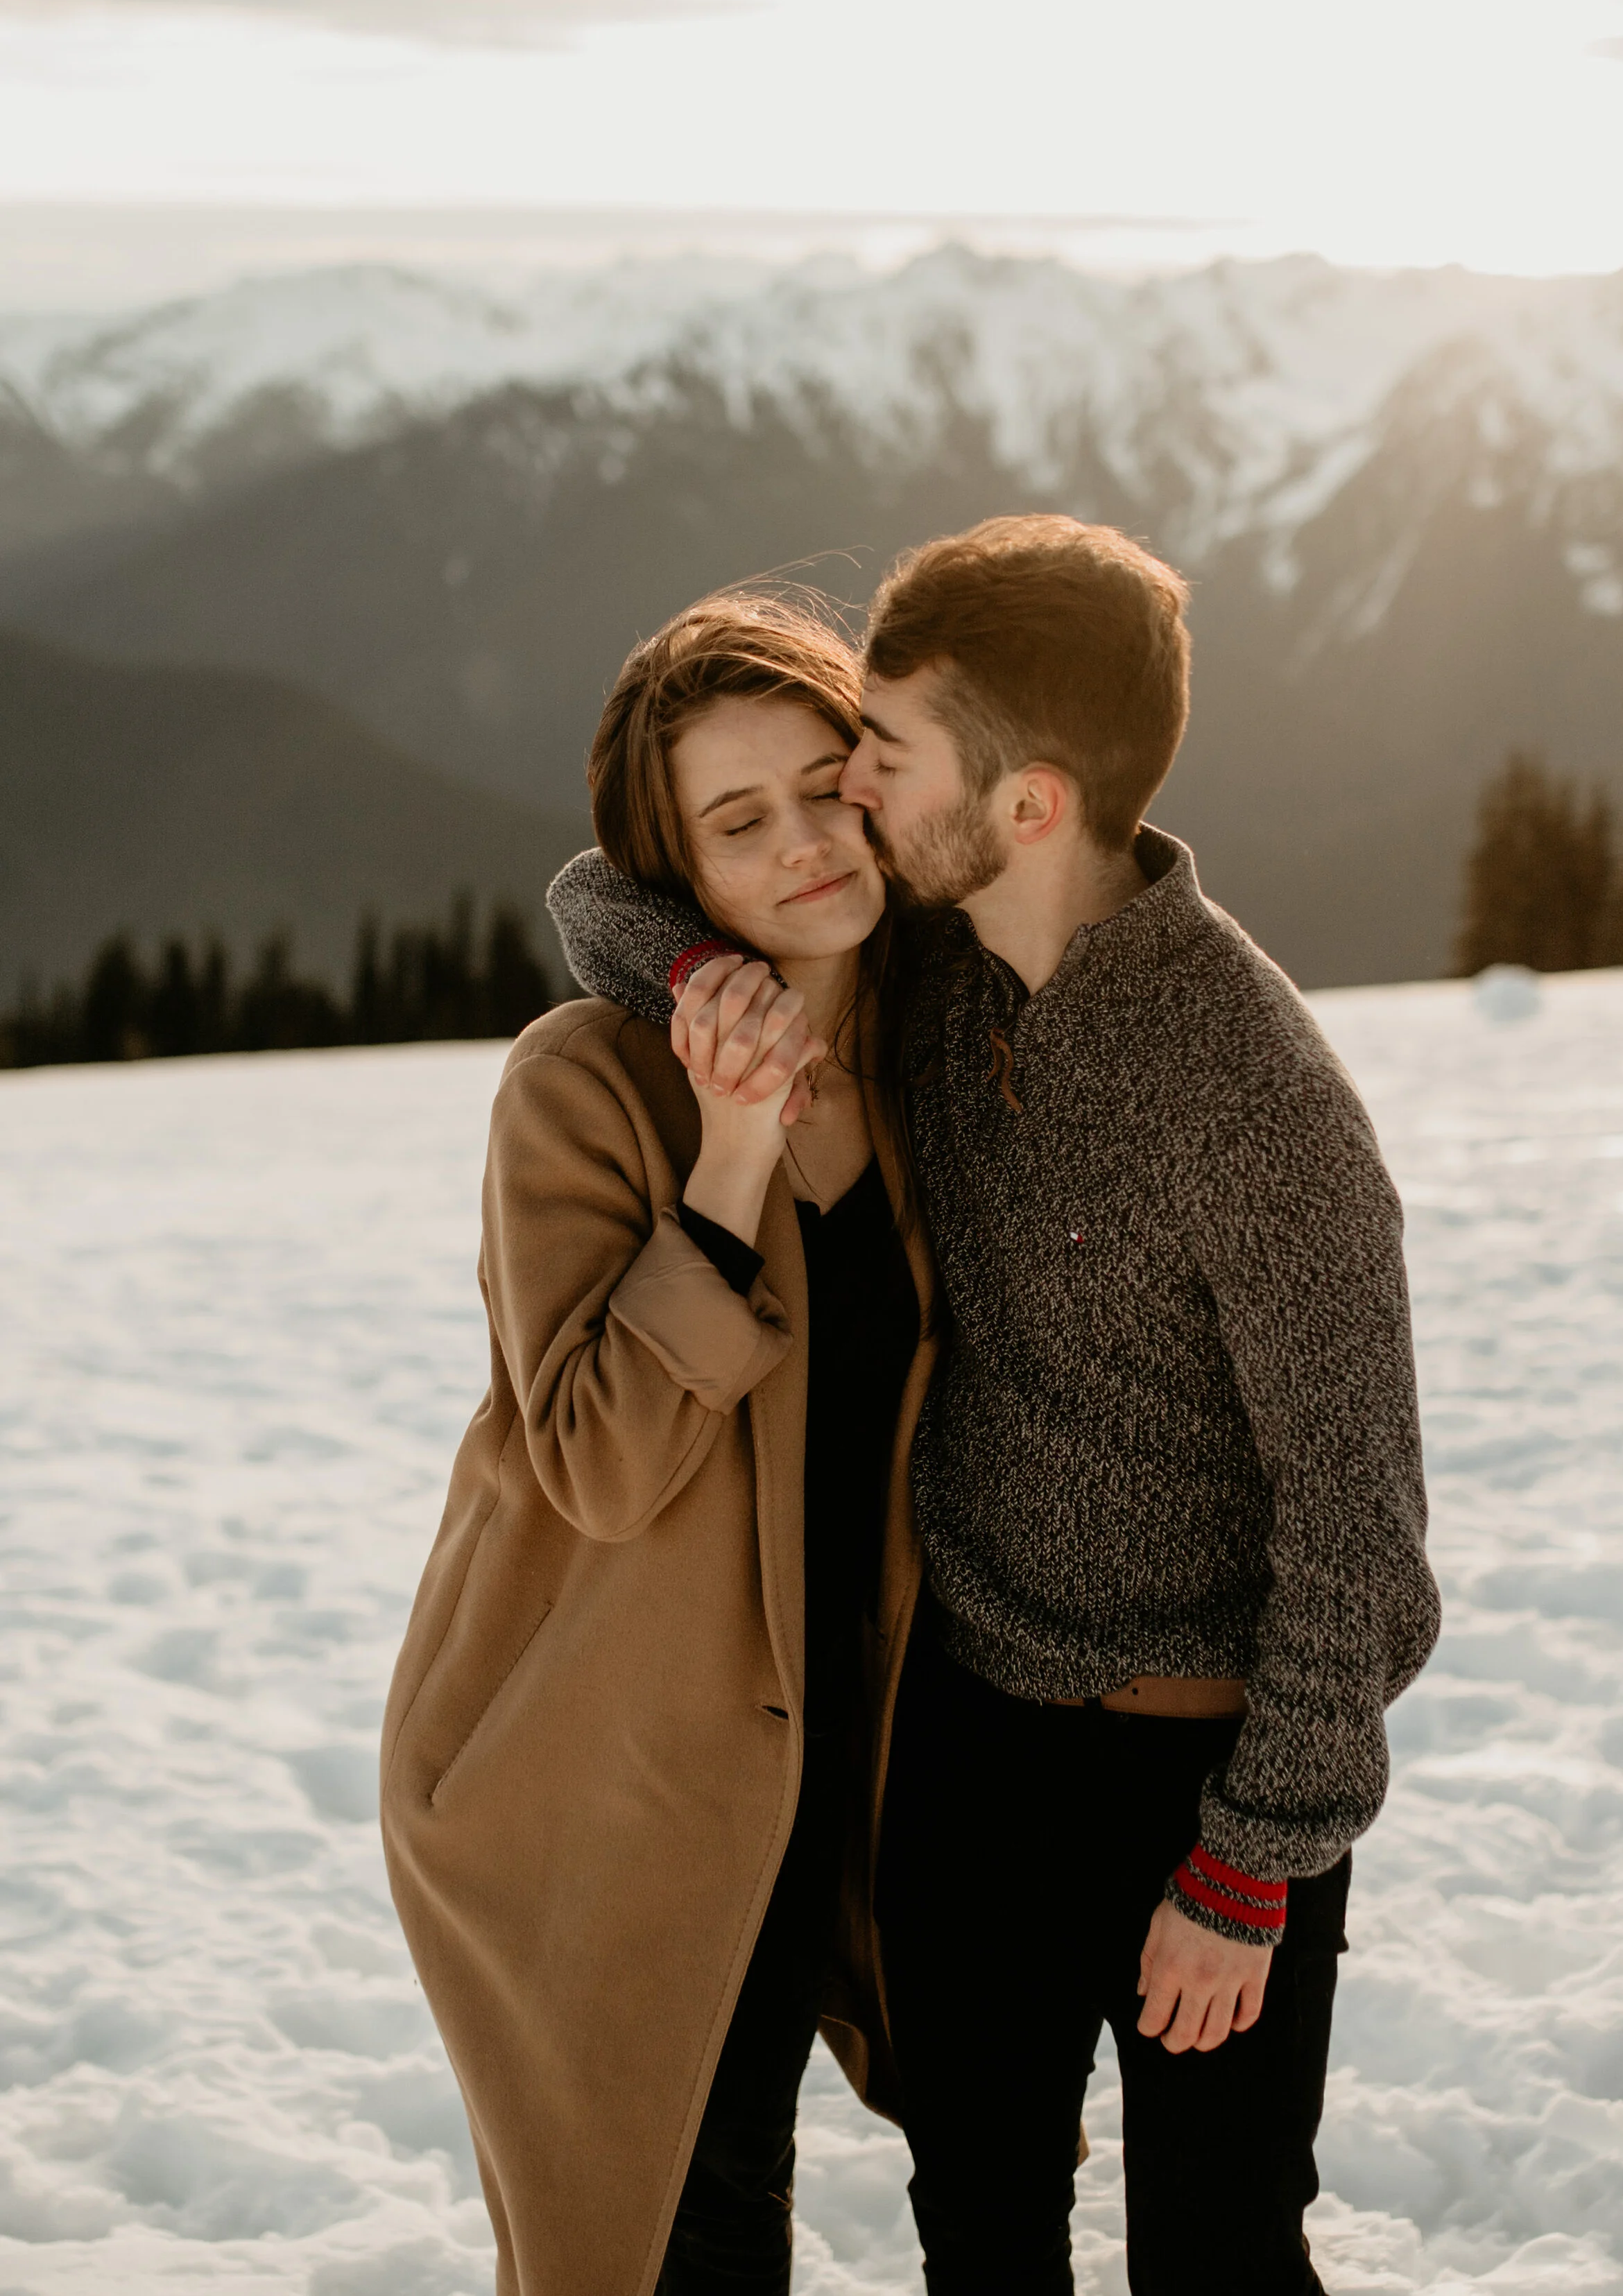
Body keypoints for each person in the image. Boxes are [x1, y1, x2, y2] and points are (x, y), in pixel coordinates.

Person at [551, 515, 1443, 2296]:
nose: (844, 798)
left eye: (876, 759)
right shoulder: (938, 974)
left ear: (1025, 802)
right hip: (965, 1748)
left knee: (1215, 2258)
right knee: (979, 2230)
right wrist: (695, 984)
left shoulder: (1254, 1097)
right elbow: (597, 890)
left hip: (1207, 1783)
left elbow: (1361, 1549)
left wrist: (1248, 1870)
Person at [380, 596, 937, 2296]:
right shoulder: (585, 1085)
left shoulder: (932, 1051)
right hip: (600, 1766)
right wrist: (730, 1163)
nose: (803, 846)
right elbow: (601, 1467)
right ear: (674, 875)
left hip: (836, 1734)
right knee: (666, 2245)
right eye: (735, 823)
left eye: (827, 788)